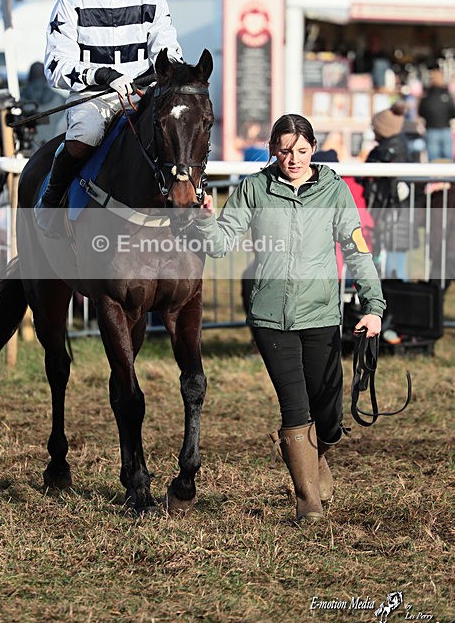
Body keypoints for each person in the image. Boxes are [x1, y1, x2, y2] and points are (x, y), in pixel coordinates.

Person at [193, 114, 385, 523]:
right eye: (283, 150)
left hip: (320, 316)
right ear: (273, 149)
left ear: (312, 149)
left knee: (329, 415)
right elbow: (221, 245)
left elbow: (357, 250)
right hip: (270, 318)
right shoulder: (253, 189)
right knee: (295, 407)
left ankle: (316, 460)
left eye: (300, 151)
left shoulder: (334, 191)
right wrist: (206, 220)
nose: (292, 158)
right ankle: (307, 502)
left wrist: (373, 306)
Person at [35, 0, 183, 234]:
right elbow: (55, 67)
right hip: (93, 97)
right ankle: (50, 198)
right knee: (86, 135)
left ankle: (189, 208)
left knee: (176, 133)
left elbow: (169, 53)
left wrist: (152, 78)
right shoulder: (71, 0)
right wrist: (102, 75)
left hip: (141, 95)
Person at [362, 102, 415, 279]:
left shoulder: (389, 154)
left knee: (394, 271)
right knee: (392, 269)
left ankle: (398, 305)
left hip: (393, 218)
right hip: (394, 218)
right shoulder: (399, 149)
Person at [418, 68, 455, 161]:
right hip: (441, 129)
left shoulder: (427, 96)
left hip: (433, 130)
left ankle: (437, 176)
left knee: (434, 158)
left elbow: (421, 112)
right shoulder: (445, 96)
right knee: (446, 159)